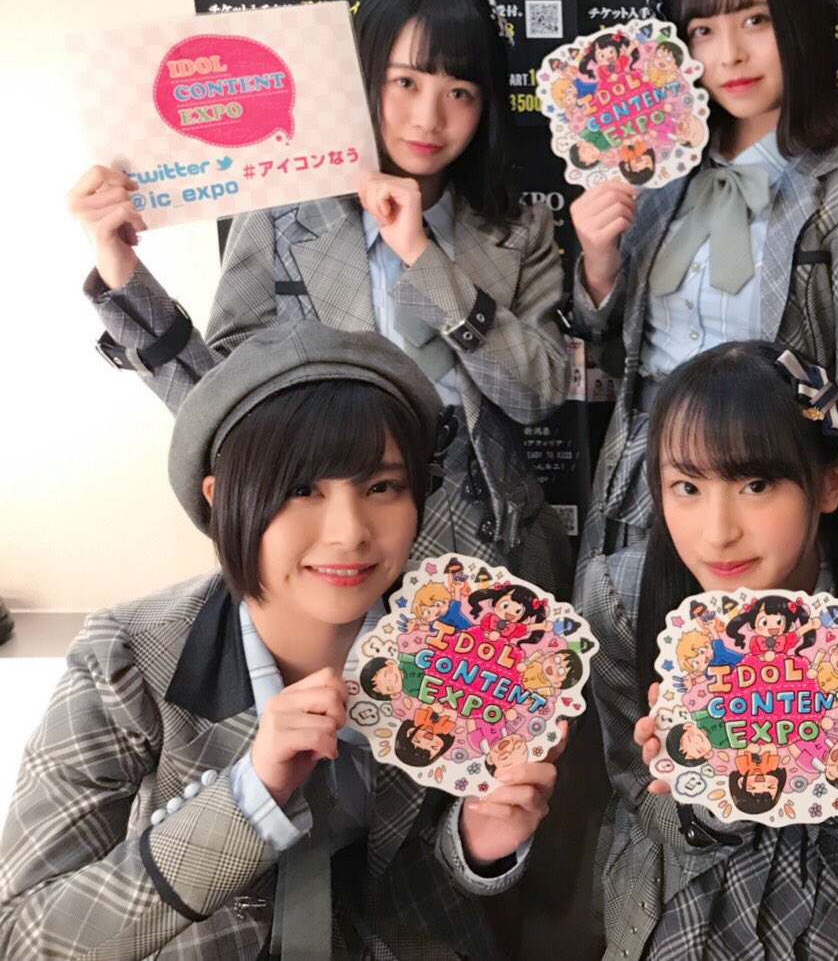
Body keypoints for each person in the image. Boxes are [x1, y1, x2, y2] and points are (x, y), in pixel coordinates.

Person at [0, 320, 561, 958]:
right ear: (221, 500)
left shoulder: (455, 642)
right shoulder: (127, 659)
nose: (350, 532)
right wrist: (250, 794)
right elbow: (26, 934)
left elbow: (426, 873)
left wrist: (477, 842)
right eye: (301, 490)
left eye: (382, 487)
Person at [68, 0, 571, 591]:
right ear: (361, 79)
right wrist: (122, 273)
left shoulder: (518, 230)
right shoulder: (284, 214)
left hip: (488, 555)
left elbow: (537, 395)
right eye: (405, 82)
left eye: (459, 92)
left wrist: (423, 258)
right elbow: (220, 400)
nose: (428, 118)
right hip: (331, 551)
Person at [575, 341, 838, 959]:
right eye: (686, 487)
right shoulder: (622, 595)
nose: (718, 532)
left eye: (756, 484)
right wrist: (703, 784)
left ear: (831, 481)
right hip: (682, 893)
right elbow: (641, 804)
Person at [570, 0, 838, 555]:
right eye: (703, 29)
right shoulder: (658, 172)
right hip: (643, 490)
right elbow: (611, 348)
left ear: (800, 25)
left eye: (757, 19)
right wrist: (598, 264)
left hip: (774, 491)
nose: (730, 54)